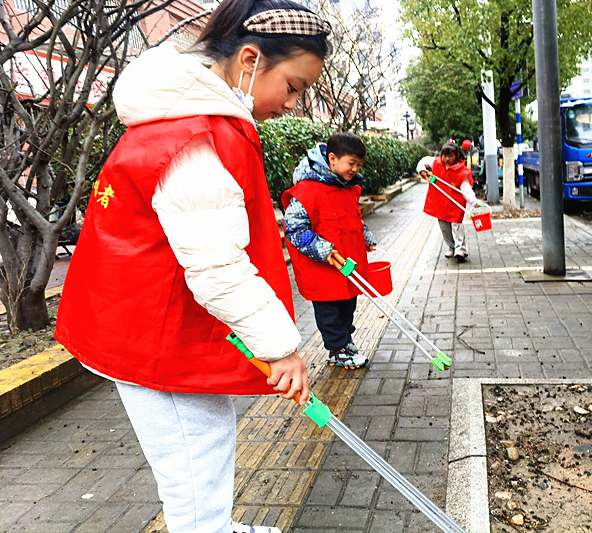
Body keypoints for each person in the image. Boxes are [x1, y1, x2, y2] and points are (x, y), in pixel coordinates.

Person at [54, 1, 330, 532]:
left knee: (202, 441)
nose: (293, 104)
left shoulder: (177, 120)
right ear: (249, 60)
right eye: (293, 87)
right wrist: (281, 349)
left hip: (139, 323)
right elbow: (218, 266)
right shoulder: (195, 137)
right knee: (194, 457)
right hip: (150, 337)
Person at [282, 133, 375, 369]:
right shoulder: (306, 192)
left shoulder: (348, 188)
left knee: (348, 306)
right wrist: (323, 250)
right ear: (332, 159)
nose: (355, 169)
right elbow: (294, 229)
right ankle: (338, 349)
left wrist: (365, 236)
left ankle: (344, 341)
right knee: (330, 313)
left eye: (358, 165)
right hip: (323, 270)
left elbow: (355, 219)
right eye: (351, 163)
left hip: (346, 266)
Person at [417, 141, 479, 262]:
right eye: (445, 155)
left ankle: (461, 249)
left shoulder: (461, 171)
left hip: (455, 203)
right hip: (441, 203)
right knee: (444, 228)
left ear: (457, 155)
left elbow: (466, 189)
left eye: (450, 156)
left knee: (457, 226)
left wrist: (474, 202)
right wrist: (422, 170)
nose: (447, 159)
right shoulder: (436, 163)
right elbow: (423, 161)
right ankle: (452, 247)